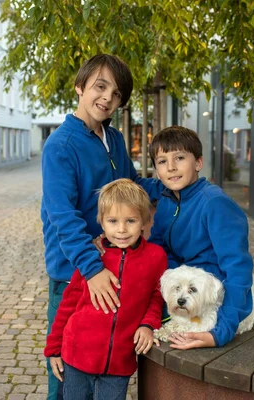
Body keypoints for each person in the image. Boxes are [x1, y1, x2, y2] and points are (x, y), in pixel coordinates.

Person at [40, 54, 163, 399]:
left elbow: (132, 187)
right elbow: (62, 218)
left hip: (112, 269)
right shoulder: (61, 146)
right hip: (75, 275)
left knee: (105, 363)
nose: (108, 97)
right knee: (65, 376)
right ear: (80, 87)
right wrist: (92, 270)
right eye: (100, 86)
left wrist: (169, 184)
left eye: (117, 93)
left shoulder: (115, 139)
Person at [44, 178, 167, 400]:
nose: (121, 229)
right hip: (76, 356)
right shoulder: (93, 258)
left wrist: (148, 324)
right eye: (113, 221)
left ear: (144, 222)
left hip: (119, 363)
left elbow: (156, 297)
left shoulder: (155, 257)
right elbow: (68, 304)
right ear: (101, 222)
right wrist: (53, 349)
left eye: (130, 220)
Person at [147, 125, 254, 350]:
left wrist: (220, 332)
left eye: (180, 158)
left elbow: (238, 270)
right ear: (157, 170)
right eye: (162, 161)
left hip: (209, 303)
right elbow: (154, 251)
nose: (172, 167)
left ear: (198, 163)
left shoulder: (214, 203)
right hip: (176, 294)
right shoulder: (167, 200)